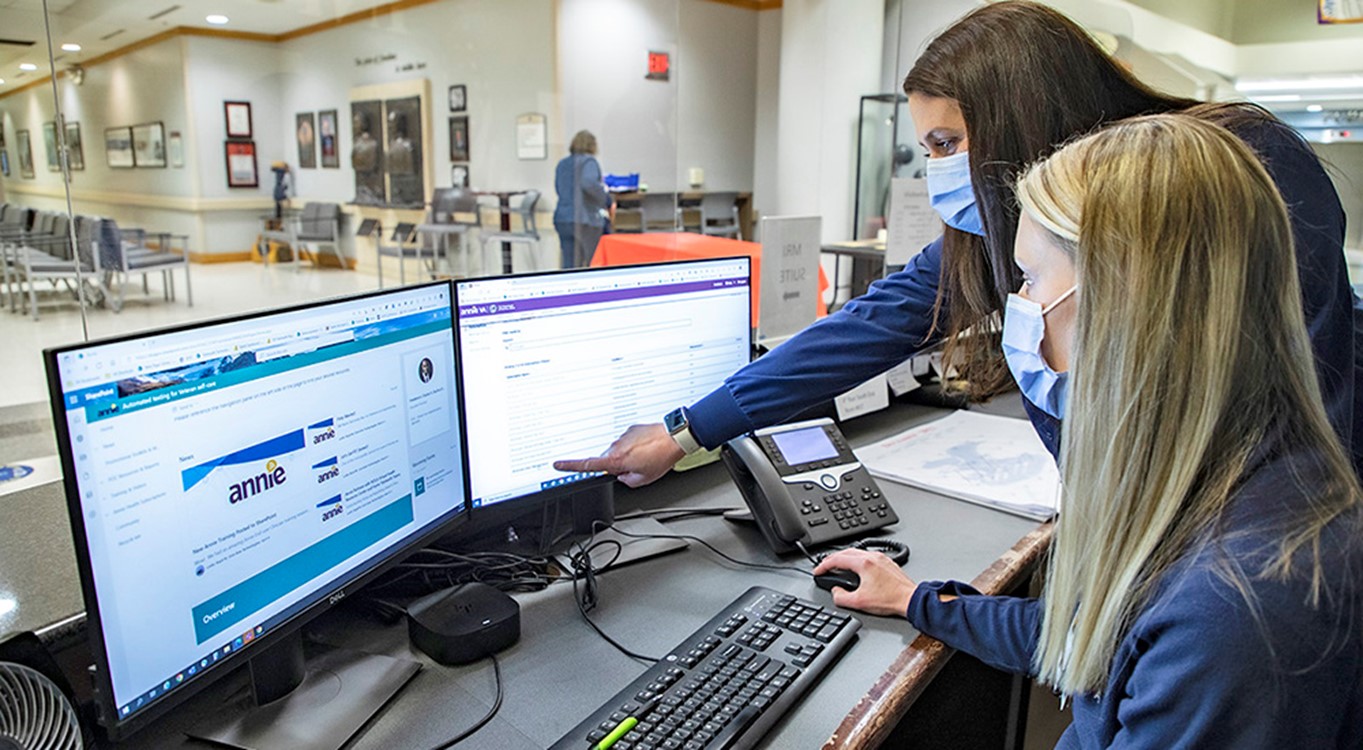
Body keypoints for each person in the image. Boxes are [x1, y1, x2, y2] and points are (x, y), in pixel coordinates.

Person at [553, 0, 1360, 488]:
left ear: (1021, 122)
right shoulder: (1018, 220)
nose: (936, 168)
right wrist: (687, 428)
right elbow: (878, 322)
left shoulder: (1233, 167)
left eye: (946, 143)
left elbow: (1309, 403)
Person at [816, 114, 1363, 747]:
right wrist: (920, 601)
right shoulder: (1225, 485)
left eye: (1031, 278)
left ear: (1125, 302)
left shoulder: (1236, 612)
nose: (1019, 306)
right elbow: (1097, 639)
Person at [553, 130, 610, 269]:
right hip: (585, 220)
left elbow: (558, 188)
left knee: (569, 265)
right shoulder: (589, 162)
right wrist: (607, 199)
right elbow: (588, 183)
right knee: (593, 263)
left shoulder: (562, 164)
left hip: (563, 219)